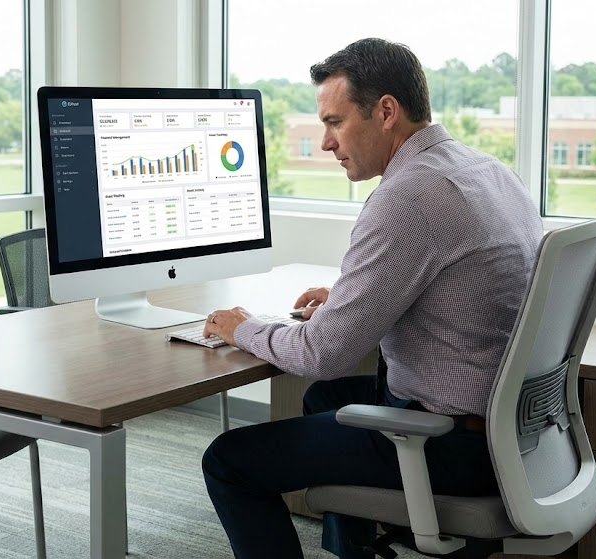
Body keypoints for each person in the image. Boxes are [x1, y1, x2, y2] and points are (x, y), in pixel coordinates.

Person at [200, 38, 543, 559]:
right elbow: (458, 279)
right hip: (511, 430)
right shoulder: (486, 170)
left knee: (229, 460)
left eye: (335, 122)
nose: (325, 143)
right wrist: (352, 296)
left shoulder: (406, 198)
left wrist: (240, 326)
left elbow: (323, 355)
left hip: (449, 445)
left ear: (386, 111)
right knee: (324, 401)